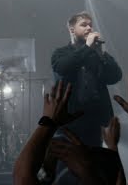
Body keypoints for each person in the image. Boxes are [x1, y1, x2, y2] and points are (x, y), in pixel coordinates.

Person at [51, 11, 123, 149]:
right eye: (83, 25)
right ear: (72, 30)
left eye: (90, 25)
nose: (89, 28)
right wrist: (87, 48)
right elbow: (63, 68)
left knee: (96, 164)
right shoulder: (60, 53)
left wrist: (101, 55)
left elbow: (115, 77)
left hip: (96, 120)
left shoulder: (97, 54)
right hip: (70, 120)